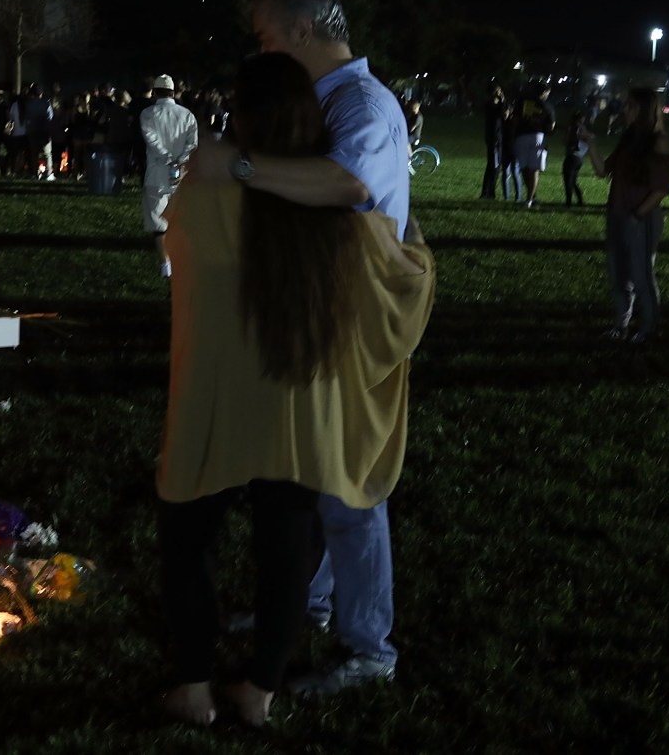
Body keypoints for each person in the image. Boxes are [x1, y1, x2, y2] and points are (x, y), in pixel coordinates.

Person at [156, 50, 434, 728]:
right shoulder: (339, 219)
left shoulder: (208, 192)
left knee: (188, 539)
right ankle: (259, 690)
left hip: (218, 401)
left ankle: (193, 685)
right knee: (285, 548)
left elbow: (176, 253)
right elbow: (401, 276)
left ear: (243, 117)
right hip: (298, 402)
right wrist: (416, 244)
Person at [581, 87, 669, 344]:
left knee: (641, 277)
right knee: (619, 276)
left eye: (630, 105)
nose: (624, 109)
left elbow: (661, 188)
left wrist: (637, 215)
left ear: (644, 109)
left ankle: (648, 329)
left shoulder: (659, 141)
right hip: (617, 214)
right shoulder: (629, 137)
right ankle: (621, 326)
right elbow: (603, 171)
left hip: (642, 219)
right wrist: (591, 142)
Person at [140, 74, 199, 277]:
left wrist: (167, 157)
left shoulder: (148, 114)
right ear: (173, 93)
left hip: (157, 172)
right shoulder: (187, 115)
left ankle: (166, 263)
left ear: (155, 93)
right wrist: (180, 160)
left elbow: (151, 140)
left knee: (158, 220)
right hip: (181, 173)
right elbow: (192, 143)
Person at [514, 83, 555, 208]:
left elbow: (515, 119)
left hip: (521, 136)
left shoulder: (523, 102)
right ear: (544, 93)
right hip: (537, 136)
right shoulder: (547, 106)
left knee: (524, 168)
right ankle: (530, 199)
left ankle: (531, 196)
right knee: (534, 169)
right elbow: (551, 126)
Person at [479, 85, 506, 199]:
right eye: (498, 91)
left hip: (495, 138)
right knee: (494, 166)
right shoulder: (491, 105)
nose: (500, 92)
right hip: (494, 139)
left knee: (493, 165)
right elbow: (501, 114)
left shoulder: (493, 105)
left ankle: (487, 191)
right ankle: (489, 192)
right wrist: (503, 101)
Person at [561, 109, 588, 206]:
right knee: (573, 181)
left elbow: (565, 141)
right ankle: (580, 201)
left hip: (572, 156)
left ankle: (568, 202)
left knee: (568, 180)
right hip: (579, 158)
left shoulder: (574, 128)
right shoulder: (584, 129)